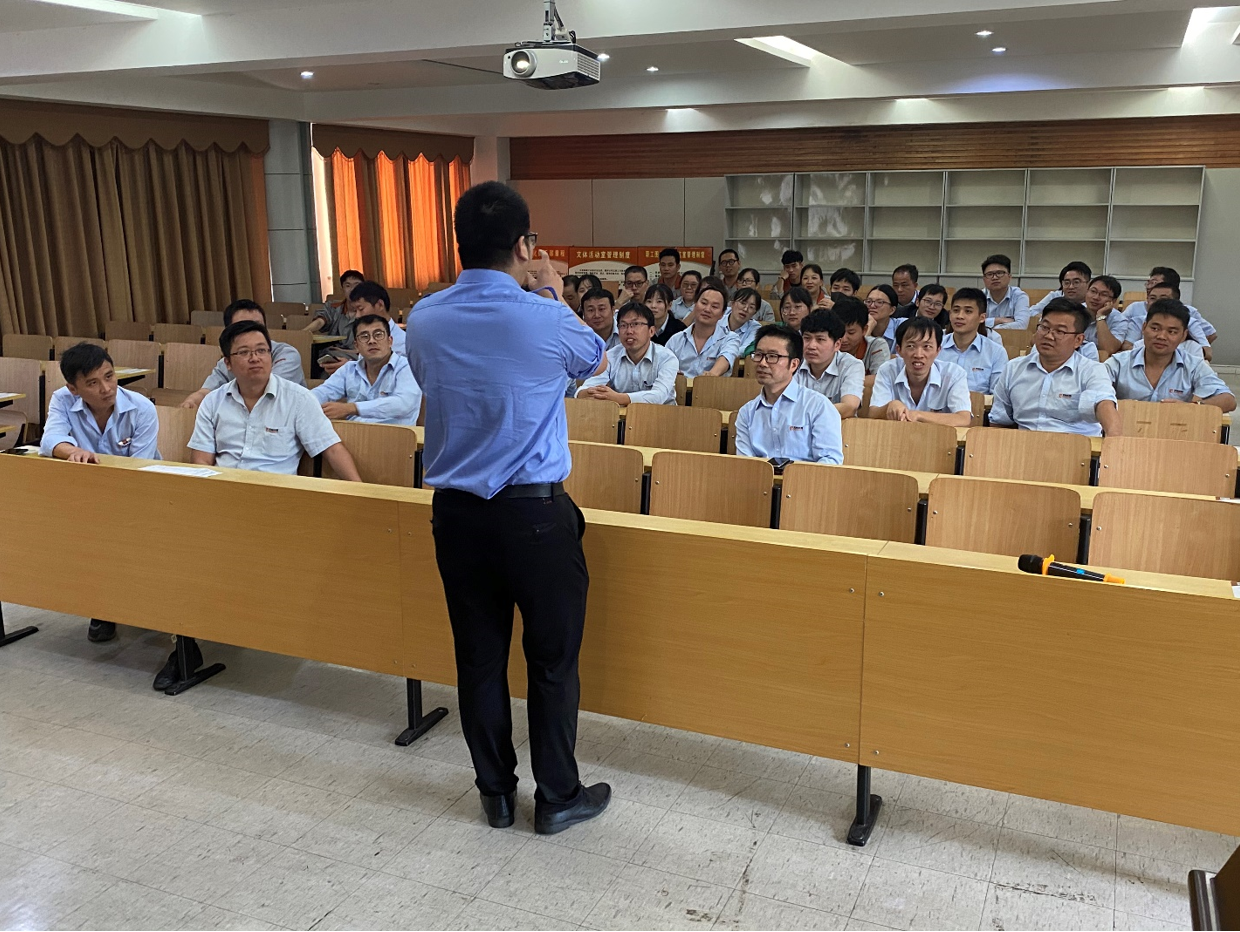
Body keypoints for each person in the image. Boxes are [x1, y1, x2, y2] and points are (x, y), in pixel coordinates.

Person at [408, 181, 610, 836]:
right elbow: (594, 358)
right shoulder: (546, 315)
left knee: (478, 659)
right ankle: (557, 797)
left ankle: (495, 794)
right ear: (525, 246)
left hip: (457, 515)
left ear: (458, 244)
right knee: (551, 662)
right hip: (534, 516)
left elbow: (431, 382)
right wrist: (550, 290)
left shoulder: (423, 318)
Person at [182, 320, 360, 691]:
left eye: (261, 351)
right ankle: (188, 636)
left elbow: (331, 448)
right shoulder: (214, 401)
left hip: (277, 503)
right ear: (227, 363)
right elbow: (202, 460)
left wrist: (361, 492)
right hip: (225, 498)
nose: (255, 359)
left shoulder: (297, 399)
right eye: (244, 353)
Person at [40, 342, 161, 644]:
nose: (106, 388)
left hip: (140, 493)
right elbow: (50, 439)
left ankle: (138, 603)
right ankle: (102, 607)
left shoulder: (141, 408)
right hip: (89, 494)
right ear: (74, 389)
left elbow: (138, 467)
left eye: (109, 376)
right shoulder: (62, 399)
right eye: (93, 383)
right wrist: (72, 451)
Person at [989, 298, 1121, 436]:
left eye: (1060, 331)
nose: (1049, 336)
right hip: (1025, 445)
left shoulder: (1092, 370)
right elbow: (999, 421)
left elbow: (1104, 405)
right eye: (1044, 327)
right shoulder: (1014, 368)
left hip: (1075, 446)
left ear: (1078, 340)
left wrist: (1114, 441)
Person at [734, 324, 843, 465]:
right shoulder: (747, 413)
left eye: (772, 356)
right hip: (760, 479)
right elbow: (745, 465)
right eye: (759, 355)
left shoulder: (818, 406)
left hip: (805, 478)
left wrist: (794, 477)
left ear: (793, 364)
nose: (762, 363)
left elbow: (830, 461)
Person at [1105, 299, 1235, 411]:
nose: (1161, 336)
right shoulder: (1118, 363)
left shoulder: (1194, 366)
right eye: (1155, 328)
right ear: (1144, 328)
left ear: (1183, 336)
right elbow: (1095, 392)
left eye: (1172, 332)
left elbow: (1228, 400)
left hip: (1175, 429)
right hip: (1125, 429)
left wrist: (1191, 407)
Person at [180, 300, 306, 408]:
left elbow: (264, 393)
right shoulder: (229, 360)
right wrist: (193, 401)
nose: (251, 333)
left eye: (257, 326)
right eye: (243, 328)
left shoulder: (287, 355)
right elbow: (206, 392)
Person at [310, 314, 423, 424]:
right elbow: (323, 392)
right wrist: (307, 399)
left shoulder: (406, 367)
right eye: (364, 337)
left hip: (395, 434)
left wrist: (352, 408)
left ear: (390, 341)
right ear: (356, 346)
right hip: (354, 433)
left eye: (378, 335)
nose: (371, 341)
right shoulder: (349, 369)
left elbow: (403, 404)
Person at [868, 318, 972, 426]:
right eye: (911, 346)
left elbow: (963, 418)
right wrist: (889, 407)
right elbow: (873, 414)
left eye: (927, 347)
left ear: (938, 350)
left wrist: (918, 415)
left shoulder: (954, 374)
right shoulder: (888, 370)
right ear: (899, 350)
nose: (918, 355)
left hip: (937, 436)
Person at [577, 303, 678, 405]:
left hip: (662, 413)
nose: (629, 331)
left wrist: (617, 398)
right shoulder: (610, 357)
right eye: (623, 325)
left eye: (635, 324)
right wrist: (588, 393)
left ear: (651, 331)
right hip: (619, 414)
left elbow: (658, 396)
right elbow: (583, 390)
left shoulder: (667, 358)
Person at [1114, 268, 1214, 358]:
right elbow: (1126, 345)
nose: (1157, 302)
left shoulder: (1190, 319)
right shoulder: (1138, 322)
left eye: (1172, 331)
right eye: (1152, 298)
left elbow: (1208, 349)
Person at [795, 310, 864, 418]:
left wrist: (808, 415)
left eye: (820, 339)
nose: (811, 346)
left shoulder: (851, 365)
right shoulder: (793, 362)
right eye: (807, 338)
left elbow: (849, 407)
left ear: (837, 344)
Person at [665, 281, 741, 377]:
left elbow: (726, 358)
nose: (707, 309)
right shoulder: (676, 340)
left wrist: (711, 375)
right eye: (704, 303)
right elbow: (663, 366)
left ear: (722, 314)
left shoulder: (730, 338)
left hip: (712, 386)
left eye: (714, 306)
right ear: (695, 305)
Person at [938, 287, 1007, 393]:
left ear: (982, 318)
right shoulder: (935, 346)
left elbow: (997, 395)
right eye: (956, 310)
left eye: (968, 311)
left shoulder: (996, 352)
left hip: (978, 404)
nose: (960, 316)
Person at [836, 294, 891, 377]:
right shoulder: (826, 346)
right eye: (839, 332)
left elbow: (880, 379)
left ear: (864, 330)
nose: (843, 339)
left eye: (851, 332)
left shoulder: (876, 345)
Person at [350, 281, 406, 357]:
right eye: (355, 310)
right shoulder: (362, 338)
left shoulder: (402, 343)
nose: (357, 315)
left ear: (380, 305)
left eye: (361, 309)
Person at [306, 269, 364, 335]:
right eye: (348, 286)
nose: (352, 289)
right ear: (342, 289)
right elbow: (319, 322)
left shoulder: (369, 310)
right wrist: (302, 333)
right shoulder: (333, 307)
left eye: (357, 285)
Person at [982, 254, 1030, 330]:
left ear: (1009, 276)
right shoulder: (978, 296)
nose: (994, 277)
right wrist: (998, 320)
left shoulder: (1019, 296)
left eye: (999, 273)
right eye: (989, 274)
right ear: (984, 279)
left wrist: (991, 327)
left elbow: (1021, 325)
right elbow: (971, 323)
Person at [1085, 275, 1127, 357]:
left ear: (1113, 301)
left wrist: (1100, 317)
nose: (1096, 297)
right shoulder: (1074, 311)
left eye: (1103, 295)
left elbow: (1108, 350)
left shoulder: (1120, 320)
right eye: (1093, 291)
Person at [718, 287, 764, 353]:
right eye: (743, 303)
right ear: (732, 304)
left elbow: (745, 349)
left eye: (751, 307)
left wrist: (723, 355)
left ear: (754, 313)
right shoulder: (717, 320)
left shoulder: (755, 328)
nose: (745, 309)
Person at [864, 284, 900, 351]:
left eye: (879, 302)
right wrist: (868, 328)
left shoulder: (902, 326)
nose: (872, 306)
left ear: (892, 310)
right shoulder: (858, 326)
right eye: (868, 301)